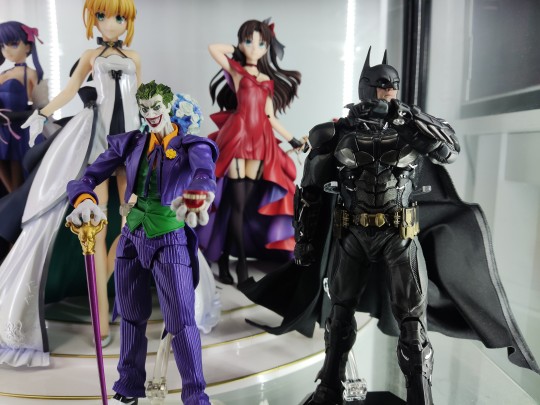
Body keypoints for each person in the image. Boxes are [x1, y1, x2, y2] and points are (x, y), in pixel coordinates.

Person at [242, 48, 540, 405]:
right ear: (367, 86)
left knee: (413, 325)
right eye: (383, 84)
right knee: (339, 317)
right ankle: (329, 387)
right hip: (352, 234)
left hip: (399, 236)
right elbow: (310, 192)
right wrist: (304, 240)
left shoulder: (411, 128)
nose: (390, 91)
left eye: (394, 85)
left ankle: (420, 396)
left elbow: (449, 152)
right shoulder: (335, 132)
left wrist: (408, 119)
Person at [0, 0, 139, 366]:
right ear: (94, 20)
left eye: (119, 17)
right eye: (103, 16)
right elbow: (70, 90)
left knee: (132, 226)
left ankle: (104, 293)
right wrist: (41, 114)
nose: (111, 23)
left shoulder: (134, 58)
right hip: (99, 146)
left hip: (132, 146)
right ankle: (101, 317)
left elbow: (139, 100)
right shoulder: (91, 56)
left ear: (128, 21)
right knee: (97, 230)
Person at [66, 81, 217, 405]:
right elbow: (88, 175)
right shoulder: (131, 143)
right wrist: (84, 197)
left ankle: (195, 395)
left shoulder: (191, 145)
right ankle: (129, 384)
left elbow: (204, 173)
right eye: (144, 108)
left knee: (181, 321)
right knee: (131, 317)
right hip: (132, 237)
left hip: (170, 237)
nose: (150, 113)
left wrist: (199, 195)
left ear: (168, 106)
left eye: (156, 107)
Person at [198, 18, 303, 285]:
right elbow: (213, 48)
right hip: (237, 137)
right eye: (249, 41)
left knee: (241, 206)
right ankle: (241, 264)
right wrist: (238, 49)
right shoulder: (236, 71)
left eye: (260, 43)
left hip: (260, 141)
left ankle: (224, 258)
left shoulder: (267, 80)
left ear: (267, 47)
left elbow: (270, 117)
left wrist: (292, 140)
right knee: (236, 205)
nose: (254, 47)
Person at [0, 21, 45, 193]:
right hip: (2, 127)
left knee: (15, 162)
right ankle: (10, 195)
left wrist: (22, 116)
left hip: (18, 127)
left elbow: (41, 105)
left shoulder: (31, 74)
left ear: (27, 46)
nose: (7, 50)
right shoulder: (4, 73)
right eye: (2, 46)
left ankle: (15, 196)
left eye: (13, 44)